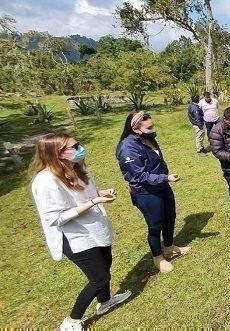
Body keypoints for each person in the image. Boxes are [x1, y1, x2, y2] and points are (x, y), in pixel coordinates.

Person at [31, 133, 131, 331]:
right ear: (56, 154)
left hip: (95, 227)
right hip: (75, 237)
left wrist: (99, 194)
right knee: (99, 277)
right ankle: (72, 320)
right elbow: (55, 217)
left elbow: (84, 194)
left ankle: (105, 302)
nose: (79, 150)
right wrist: (94, 201)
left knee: (105, 265)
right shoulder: (45, 181)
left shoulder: (78, 167)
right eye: (74, 147)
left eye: (78, 145)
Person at [116, 111, 191, 273]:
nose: (152, 129)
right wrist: (165, 178)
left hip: (162, 185)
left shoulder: (147, 138)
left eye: (153, 126)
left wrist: (164, 179)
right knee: (155, 224)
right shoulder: (128, 148)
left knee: (170, 216)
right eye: (149, 127)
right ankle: (158, 257)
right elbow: (138, 175)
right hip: (146, 192)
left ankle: (170, 246)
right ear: (135, 128)